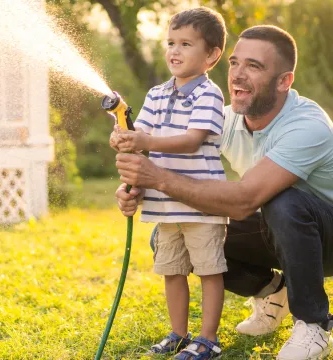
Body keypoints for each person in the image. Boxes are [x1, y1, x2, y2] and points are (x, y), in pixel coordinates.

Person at [115, 24, 333, 360]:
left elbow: (246, 199)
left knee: (282, 200)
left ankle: (313, 323)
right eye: (234, 63)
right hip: (280, 231)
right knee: (169, 233)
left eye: (254, 66)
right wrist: (137, 186)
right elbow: (180, 168)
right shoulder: (225, 119)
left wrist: (157, 178)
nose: (238, 75)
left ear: (284, 81)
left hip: (327, 236)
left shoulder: (308, 125)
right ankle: (275, 292)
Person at [110, 7, 227, 359]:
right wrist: (122, 136)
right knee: (172, 271)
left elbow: (191, 140)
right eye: (171, 42)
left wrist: (144, 142)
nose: (174, 51)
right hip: (164, 205)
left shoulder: (209, 94)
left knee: (209, 271)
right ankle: (178, 333)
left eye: (186, 44)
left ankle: (207, 339)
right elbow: (140, 133)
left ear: (211, 55)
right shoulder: (157, 93)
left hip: (201, 204)